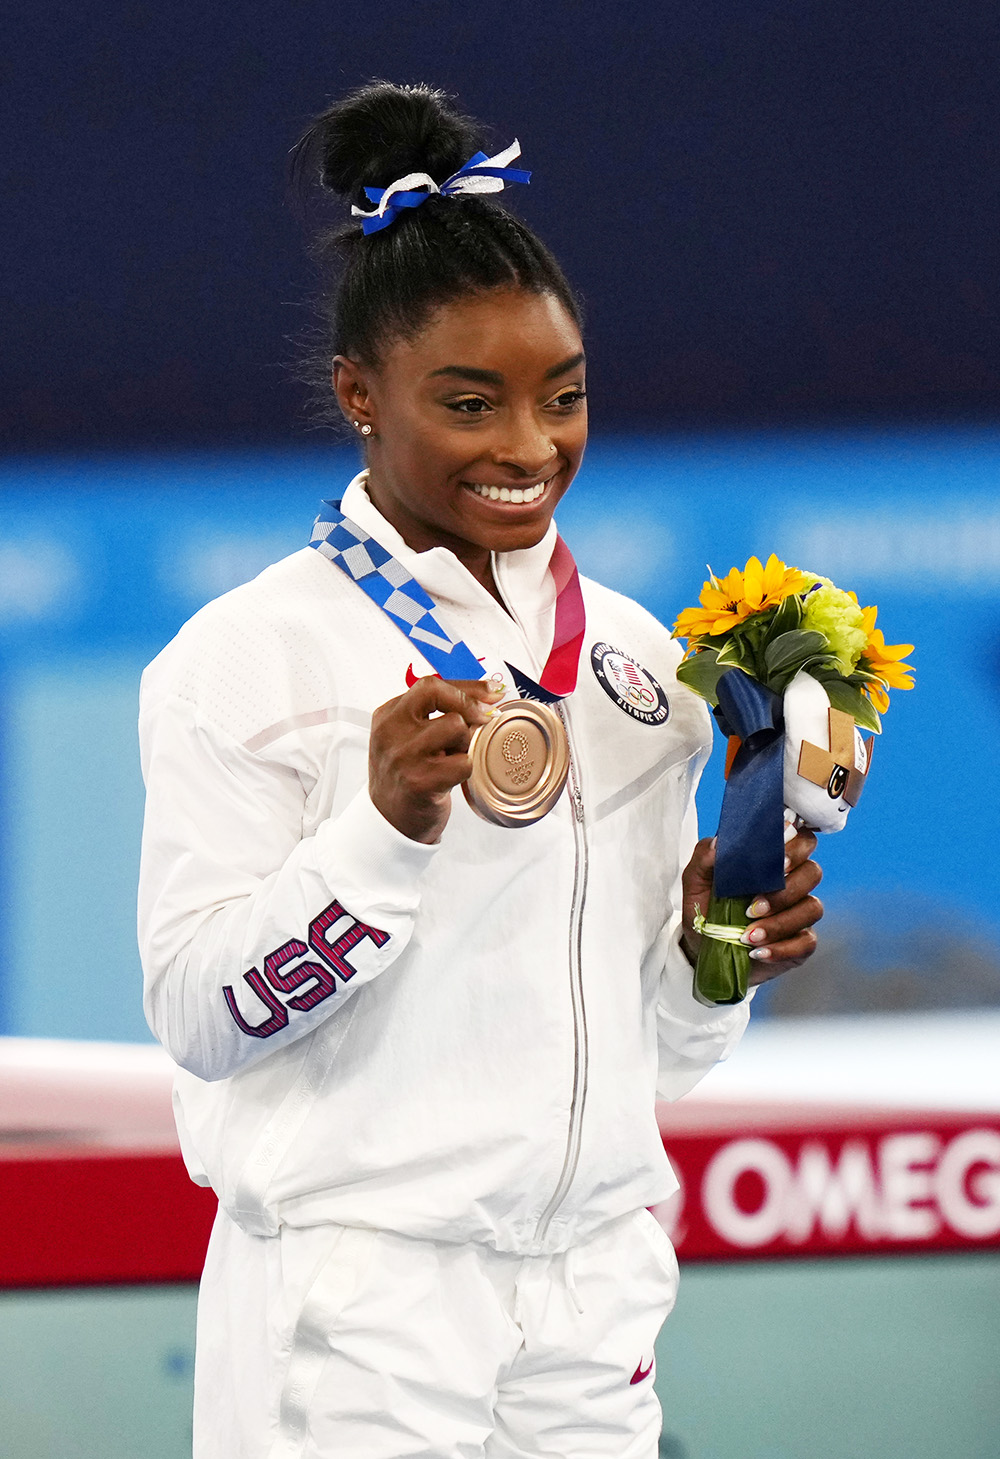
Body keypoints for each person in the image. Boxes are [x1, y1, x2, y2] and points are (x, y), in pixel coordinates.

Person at [137, 82, 823, 1459]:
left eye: (561, 398)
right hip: (357, 1304)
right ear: (358, 396)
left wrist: (712, 955)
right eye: (470, 402)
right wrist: (382, 834)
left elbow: (659, 1061)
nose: (527, 447)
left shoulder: (639, 665)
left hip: (592, 1300)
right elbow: (202, 1016)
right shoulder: (245, 661)